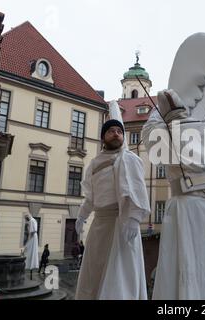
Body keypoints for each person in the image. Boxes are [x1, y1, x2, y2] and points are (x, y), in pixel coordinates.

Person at [141, 89, 205, 300]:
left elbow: (146, 131)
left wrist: (159, 111)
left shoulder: (163, 132)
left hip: (186, 204)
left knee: (186, 263)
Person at [74, 114, 151, 300]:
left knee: (121, 273)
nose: (116, 134)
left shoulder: (129, 159)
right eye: (111, 131)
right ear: (103, 137)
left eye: (119, 131)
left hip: (121, 224)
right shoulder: (93, 164)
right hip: (100, 226)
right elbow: (91, 197)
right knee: (96, 271)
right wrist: (82, 216)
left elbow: (137, 190)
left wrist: (133, 219)